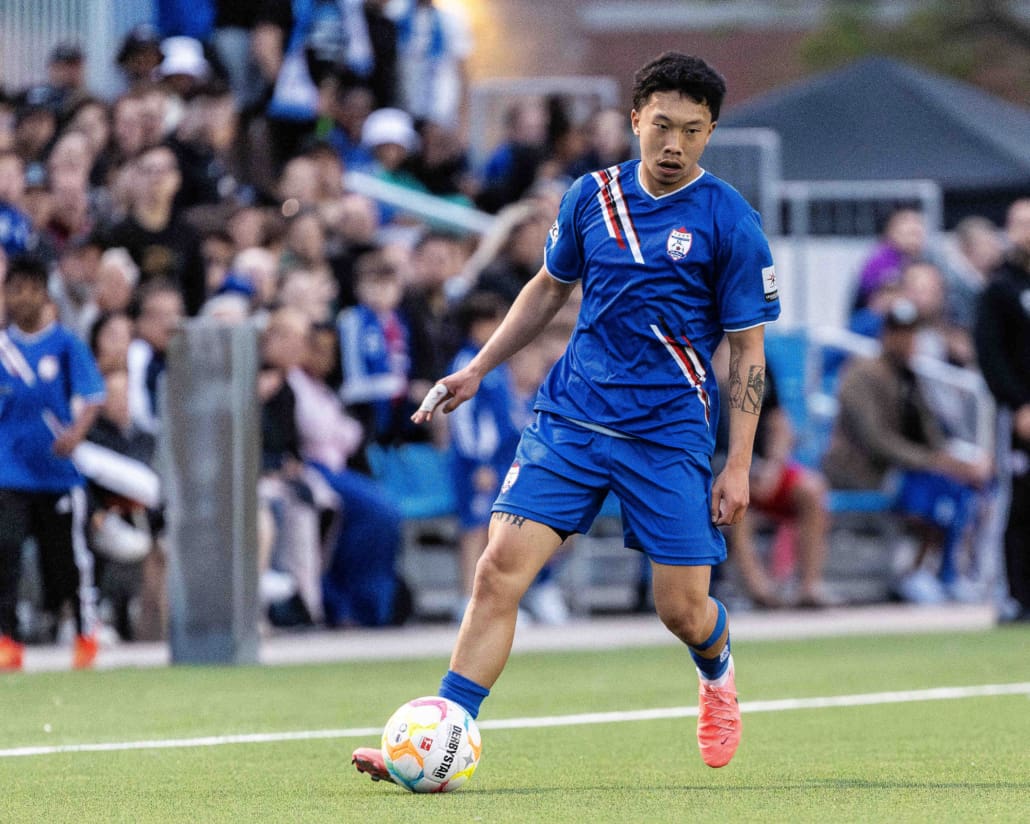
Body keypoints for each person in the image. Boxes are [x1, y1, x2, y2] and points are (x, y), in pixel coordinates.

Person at [353, 52, 780, 779]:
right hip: (570, 421)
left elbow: (746, 352)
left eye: (693, 132)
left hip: (667, 435)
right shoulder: (592, 197)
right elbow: (548, 289)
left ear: (710, 134)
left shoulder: (730, 222)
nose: (674, 145)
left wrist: (736, 463)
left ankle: (716, 671)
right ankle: (439, 738)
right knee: (497, 572)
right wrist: (477, 368)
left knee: (681, 610)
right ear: (636, 119)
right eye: (663, 126)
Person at [822, 299, 992, 604]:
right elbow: (875, 440)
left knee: (966, 484)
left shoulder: (909, 375)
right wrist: (933, 461)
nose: (906, 340)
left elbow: (930, 433)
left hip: (902, 468)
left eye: (911, 333)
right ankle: (910, 571)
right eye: (899, 332)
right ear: (885, 334)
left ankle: (946, 572)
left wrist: (955, 461)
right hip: (861, 471)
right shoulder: (862, 373)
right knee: (932, 485)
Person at [0, 255, 106, 671]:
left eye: (29, 289)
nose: (20, 298)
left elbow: (92, 395)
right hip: (10, 469)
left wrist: (76, 432)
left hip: (57, 472)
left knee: (63, 559)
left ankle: (84, 631)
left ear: (44, 294)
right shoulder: (4, 348)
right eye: (14, 289)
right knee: (4, 552)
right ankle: (8, 639)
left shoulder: (64, 345)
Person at [974, 198, 1030, 623]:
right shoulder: (999, 288)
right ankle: (1011, 595)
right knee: (1016, 504)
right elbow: (991, 355)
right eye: (1019, 223)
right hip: (1018, 416)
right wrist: (1018, 404)